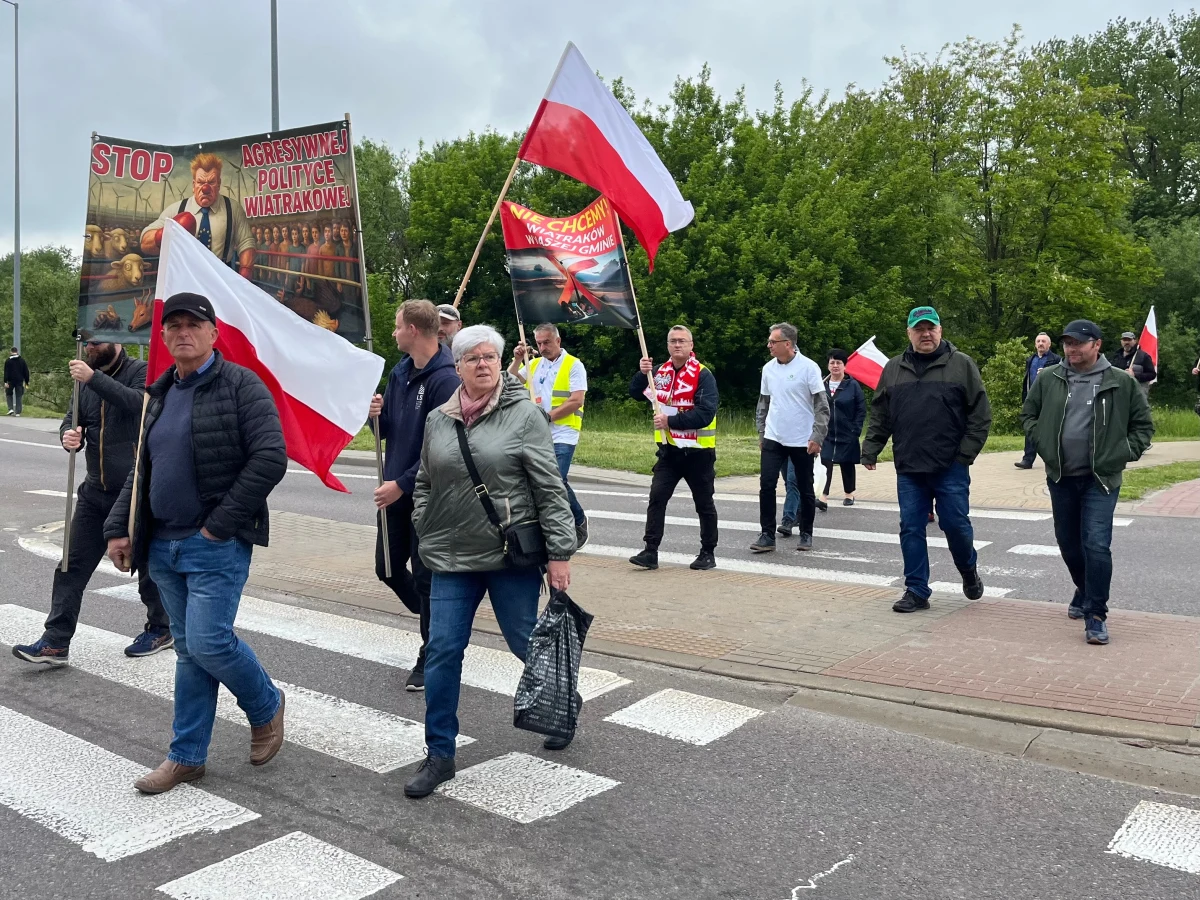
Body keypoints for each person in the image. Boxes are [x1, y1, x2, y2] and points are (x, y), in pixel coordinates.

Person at [104, 292, 287, 795]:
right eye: (174, 325)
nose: (183, 332)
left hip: (214, 545)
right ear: (163, 337)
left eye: (194, 325)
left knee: (208, 642)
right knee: (189, 653)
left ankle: (266, 704)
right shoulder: (158, 395)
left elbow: (271, 458)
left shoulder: (241, 386)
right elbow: (142, 471)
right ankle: (186, 756)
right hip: (162, 545)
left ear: (212, 333)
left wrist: (219, 525)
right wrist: (119, 527)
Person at [404, 324, 576, 798]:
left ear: (501, 363)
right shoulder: (440, 417)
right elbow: (424, 480)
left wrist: (559, 554)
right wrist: (425, 522)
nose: (483, 364)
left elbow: (550, 491)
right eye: (472, 357)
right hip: (451, 556)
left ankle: (561, 702)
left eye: (491, 357)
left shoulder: (524, 416)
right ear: (456, 366)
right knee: (442, 652)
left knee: (524, 643)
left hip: (508, 557)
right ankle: (440, 753)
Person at [11, 341, 171, 666]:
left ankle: (161, 628)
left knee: (148, 570)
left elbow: (142, 406)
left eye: (98, 341)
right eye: (89, 341)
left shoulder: (140, 372)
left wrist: (94, 379)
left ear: (117, 339)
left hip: (134, 493)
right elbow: (73, 418)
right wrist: (69, 435)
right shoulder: (84, 380)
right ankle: (55, 643)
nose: (92, 346)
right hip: (94, 491)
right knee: (70, 566)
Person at [1021, 320, 1154, 645]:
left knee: (1096, 545)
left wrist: (1121, 453)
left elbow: (1143, 426)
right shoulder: (1049, 378)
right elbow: (1029, 414)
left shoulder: (1120, 382)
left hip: (1100, 480)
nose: (1071, 348)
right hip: (1061, 477)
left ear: (1096, 344)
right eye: (1067, 343)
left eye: (1078, 343)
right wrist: (1044, 445)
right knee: (1068, 544)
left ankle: (1096, 614)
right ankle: (1084, 588)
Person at [861, 306, 991, 613]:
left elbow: (980, 415)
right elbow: (881, 413)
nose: (926, 334)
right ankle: (917, 589)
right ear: (909, 334)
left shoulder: (962, 365)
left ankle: (968, 569)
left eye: (930, 328)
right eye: (919, 329)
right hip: (909, 466)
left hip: (950, 466)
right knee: (910, 527)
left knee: (955, 525)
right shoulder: (893, 369)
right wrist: (871, 447)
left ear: (940, 330)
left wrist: (964, 456)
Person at [368, 300, 460, 692]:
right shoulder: (400, 371)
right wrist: (372, 414)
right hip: (394, 492)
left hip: (427, 495)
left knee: (425, 578)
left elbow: (442, 448)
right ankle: (436, 618)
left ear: (414, 331)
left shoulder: (446, 380)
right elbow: (385, 430)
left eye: (396, 326)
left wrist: (403, 483)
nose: (393, 333)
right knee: (387, 568)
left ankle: (430, 651)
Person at [627, 325, 719, 571]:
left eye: (682, 341)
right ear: (667, 345)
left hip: (698, 452)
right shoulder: (659, 372)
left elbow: (706, 413)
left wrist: (671, 421)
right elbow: (635, 392)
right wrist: (641, 372)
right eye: (672, 341)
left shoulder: (703, 374)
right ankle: (650, 551)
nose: (677, 345)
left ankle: (707, 552)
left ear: (691, 346)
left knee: (704, 503)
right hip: (669, 451)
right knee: (657, 497)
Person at [509, 323, 589, 548]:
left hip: (564, 432)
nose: (543, 347)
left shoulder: (574, 365)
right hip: (537, 434)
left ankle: (578, 520)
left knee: (557, 480)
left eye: (547, 342)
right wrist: (517, 360)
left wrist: (548, 417)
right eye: (539, 343)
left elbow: (576, 400)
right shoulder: (533, 364)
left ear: (558, 341)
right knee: (538, 481)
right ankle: (549, 528)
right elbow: (507, 382)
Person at [751, 323, 828, 553]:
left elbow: (822, 407)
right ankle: (767, 534)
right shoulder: (768, 369)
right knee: (766, 484)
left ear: (788, 344)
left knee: (804, 486)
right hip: (774, 437)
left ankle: (806, 532)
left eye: (773, 342)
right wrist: (762, 432)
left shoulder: (809, 368)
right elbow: (763, 403)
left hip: (802, 439)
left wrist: (817, 436)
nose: (769, 346)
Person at [141, 153, 256, 278]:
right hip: (185, 277)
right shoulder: (178, 209)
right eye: (200, 182)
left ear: (219, 184)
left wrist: (245, 273)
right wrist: (164, 234)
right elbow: (144, 243)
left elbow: (246, 242)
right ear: (193, 185)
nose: (205, 188)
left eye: (211, 182)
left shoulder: (233, 209)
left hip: (220, 278)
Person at [817, 348, 866, 509]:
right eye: (832, 362)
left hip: (847, 432)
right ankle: (823, 497)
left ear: (845, 365)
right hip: (826, 433)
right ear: (828, 365)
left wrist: (855, 430)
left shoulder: (852, 385)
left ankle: (849, 493)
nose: (835, 366)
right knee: (825, 463)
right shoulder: (821, 384)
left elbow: (861, 409)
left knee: (847, 464)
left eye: (839, 363)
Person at [1015, 332, 1062, 469]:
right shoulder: (1031, 360)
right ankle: (1027, 460)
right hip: (1032, 399)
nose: (1040, 343)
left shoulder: (1057, 360)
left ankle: (1056, 458)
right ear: (1035, 344)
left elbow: (1062, 377)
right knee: (1030, 427)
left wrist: (1048, 373)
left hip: (1050, 399)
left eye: (1043, 341)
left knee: (1052, 429)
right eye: (1038, 341)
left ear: (1049, 344)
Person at [1111, 331, 1156, 398]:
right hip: (1119, 391)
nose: (1126, 342)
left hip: (1137, 392)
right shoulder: (1115, 356)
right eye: (1124, 340)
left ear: (1135, 341)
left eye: (1129, 340)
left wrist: (1135, 375)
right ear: (1121, 341)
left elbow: (1152, 375)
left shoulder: (1143, 356)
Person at [4, 346, 29, 416]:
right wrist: (26, 382)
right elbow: (26, 372)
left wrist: (5, 381)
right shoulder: (22, 360)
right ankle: (18, 412)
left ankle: (10, 409)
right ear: (17, 351)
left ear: (11, 352)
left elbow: (6, 372)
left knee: (9, 394)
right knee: (19, 396)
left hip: (10, 381)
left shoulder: (8, 361)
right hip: (19, 381)